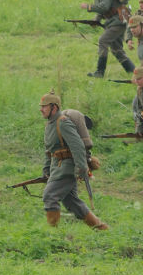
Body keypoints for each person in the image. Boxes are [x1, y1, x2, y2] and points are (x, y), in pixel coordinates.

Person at [39, 90, 108, 230]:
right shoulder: (50, 125)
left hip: (68, 168)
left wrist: (81, 168)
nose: (41, 109)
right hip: (57, 167)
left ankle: (53, 234)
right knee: (72, 202)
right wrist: (46, 170)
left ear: (54, 107)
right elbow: (49, 151)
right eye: (41, 106)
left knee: (49, 196)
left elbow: (77, 147)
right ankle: (101, 228)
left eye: (44, 106)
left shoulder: (63, 122)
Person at [79, 0, 135, 78]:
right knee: (116, 50)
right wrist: (96, 20)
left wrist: (89, 7)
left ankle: (100, 72)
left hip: (118, 21)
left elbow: (104, 7)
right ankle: (133, 71)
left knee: (103, 41)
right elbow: (103, 9)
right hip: (113, 21)